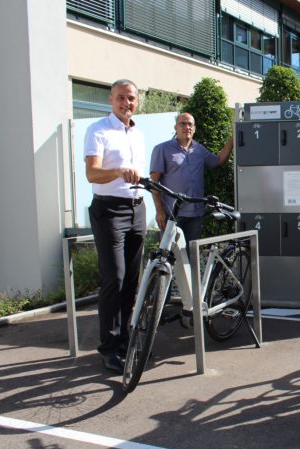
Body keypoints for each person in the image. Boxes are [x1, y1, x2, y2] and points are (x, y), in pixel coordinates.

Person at [85, 79, 146, 373]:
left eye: (132, 98)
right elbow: (92, 174)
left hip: (137, 210)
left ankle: (124, 342)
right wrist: (118, 171)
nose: (127, 103)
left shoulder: (138, 133)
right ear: (111, 99)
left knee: (132, 281)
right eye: (121, 97)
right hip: (109, 211)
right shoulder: (98, 130)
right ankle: (108, 348)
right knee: (115, 279)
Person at [149, 112, 233, 256]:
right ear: (175, 127)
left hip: (195, 214)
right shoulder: (162, 149)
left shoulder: (199, 150)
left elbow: (218, 160)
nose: (186, 127)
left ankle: (191, 280)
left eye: (190, 124)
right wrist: (159, 211)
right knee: (169, 257)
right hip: (173, 215)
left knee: (191, 256)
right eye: (183, 123)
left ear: (194, 129)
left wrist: (232, 138)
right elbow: (154, 182)